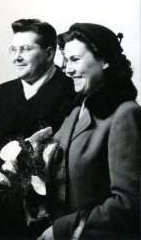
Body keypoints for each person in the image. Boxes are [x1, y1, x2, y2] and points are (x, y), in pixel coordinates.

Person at [0, 19, 75, 239]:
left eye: (25, 49)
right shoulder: (1, 93)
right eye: (13, 49)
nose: (16, 57)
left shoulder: (72, 90)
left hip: (48, 213)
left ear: (49, 53)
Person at [38, 23, 141, 240]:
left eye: (75, 60)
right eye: (66, 60)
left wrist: (62, 230)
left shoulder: (125, 114)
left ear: (105, 61)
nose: (67, 69)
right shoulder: (76, 111)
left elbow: (128, 204)